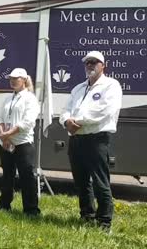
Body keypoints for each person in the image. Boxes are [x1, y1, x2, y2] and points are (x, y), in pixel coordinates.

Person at [59, 51, 122, 232]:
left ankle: (104, 223)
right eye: (87, 62)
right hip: (76, 140)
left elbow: (105, 111)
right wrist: (66, 121)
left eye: (94, 62)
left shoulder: (111, 85)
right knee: (81, 182)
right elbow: (65, 109)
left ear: (104, 65)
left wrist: (77, 121)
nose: (90, 65)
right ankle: (87, 216)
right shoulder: (78, 88)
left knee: (100, 182)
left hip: (97, 139)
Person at [0, 68, 41, 216]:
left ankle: (31, 209)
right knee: (7, 174)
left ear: (24, 80)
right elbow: (0, 119)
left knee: (27, 176)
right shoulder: (7, 98)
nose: (13, 80)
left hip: (22, 143)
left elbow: (27, 123)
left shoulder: (30, 98)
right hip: (5, 143)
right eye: (11, 78)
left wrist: (8, 134)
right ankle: (4, 204)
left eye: (16, 78)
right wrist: (4, 135)